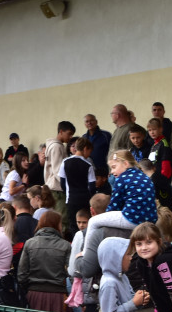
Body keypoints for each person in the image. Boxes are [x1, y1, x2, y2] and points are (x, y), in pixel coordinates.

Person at [78, 150, 157, 278]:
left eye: (114, 167)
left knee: (93, 221)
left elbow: (114, 205)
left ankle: (85, 253)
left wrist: (106, 218)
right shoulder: (144, 176)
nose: (112, 172)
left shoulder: (122, 179)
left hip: (131, 218)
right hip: (149, 220)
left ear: (125, 163)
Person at [59, 137, 96, 236]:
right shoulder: (88, 165)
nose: (89, 154)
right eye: (89, 151)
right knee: (86, 223)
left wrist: (67, 192)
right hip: (85, 199)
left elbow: (62, 182)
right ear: (85, 149)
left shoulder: (65, 162)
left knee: (73, 224)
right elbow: (92, 186)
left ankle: (75, 245)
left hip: (71, 199)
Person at [84, 113, 111, 179]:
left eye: (91, 120)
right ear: (85, 124)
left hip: (104, 169)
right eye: (87, 121)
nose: (89, 123)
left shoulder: (106, 135)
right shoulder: (84, 137)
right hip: (89, 170)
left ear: (96, 122)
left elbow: (111, 151)